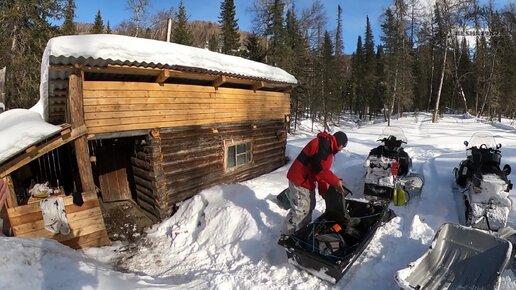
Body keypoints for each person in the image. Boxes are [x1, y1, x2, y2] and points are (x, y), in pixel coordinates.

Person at [281, 131, 348, 236]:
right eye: (342, 147)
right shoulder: (322, 145)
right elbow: (319, 169)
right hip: (300, 179)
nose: (341, 150)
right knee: (300, 211)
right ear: (339, 144)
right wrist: (335, 181)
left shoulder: (329, 148)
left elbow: (321, 173)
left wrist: (324, 192)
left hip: (308, 181)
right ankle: (285, 236)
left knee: (310, 206)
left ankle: (302, 233)